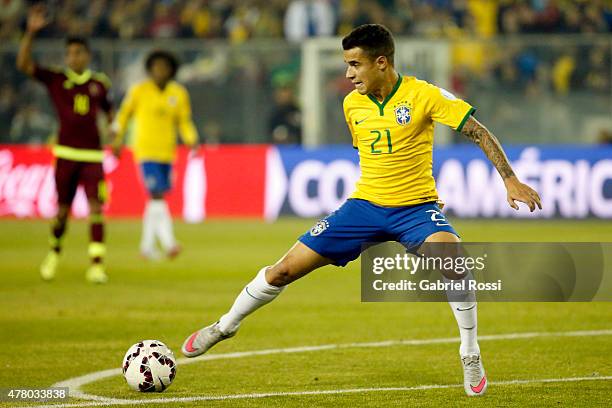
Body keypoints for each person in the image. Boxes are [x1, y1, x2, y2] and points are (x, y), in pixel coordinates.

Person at [181, 24, 542, 396]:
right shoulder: (351, 104)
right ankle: (225, 326)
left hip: (415, 210)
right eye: (346, 65)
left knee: (454, 260)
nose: (348, 74)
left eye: (355, 64)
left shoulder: (424, 95)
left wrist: (509, 179)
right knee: (282, 270)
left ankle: (470, 351)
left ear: (381, 63)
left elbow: (479, 131)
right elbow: (370, 154)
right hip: (364, 207)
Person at [16, 5, 113, 284]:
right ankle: (54, 252)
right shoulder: (57, 79)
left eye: (78, 52)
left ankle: (96, 265)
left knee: (96, 208)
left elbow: (110, 113)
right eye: (70, 53)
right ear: (66, 56)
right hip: (66, 154)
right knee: (61, 211)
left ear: (87, 56)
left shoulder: (99, 83)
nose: (74, 57)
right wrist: (30, 33)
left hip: (93, 155)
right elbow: (24, 65)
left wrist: (115, 133)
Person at [111, 50, 198, 260]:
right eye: (156, 66)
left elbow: (184, 121)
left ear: (171, 70)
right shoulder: (139, 90)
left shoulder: (178, 93)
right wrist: (117, 138)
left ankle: (147, 247)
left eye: (165, 67)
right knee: (157, 195)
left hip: (167, 153)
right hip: (145, 150)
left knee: (155, 199)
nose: (160, 70)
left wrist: (191, 139)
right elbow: (123, 115)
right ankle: (169, 244)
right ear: (150, 69)